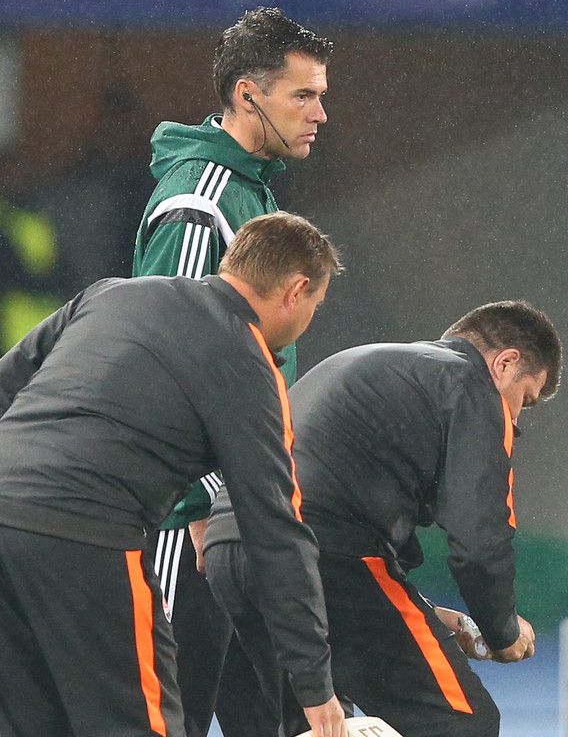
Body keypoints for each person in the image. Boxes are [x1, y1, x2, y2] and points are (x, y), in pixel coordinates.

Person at [0, 211, 346, 737]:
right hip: (89, 537)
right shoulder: (249, 365)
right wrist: (315, 688)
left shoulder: (111, 294)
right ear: (296, 290)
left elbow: (6, 384)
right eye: (315, 305)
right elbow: (275, 532)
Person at [203, 300, 562, 737]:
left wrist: (428, 614)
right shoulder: (472, 388)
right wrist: (502, 630)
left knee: (318, 728)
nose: (516, 417)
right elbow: (479, 542)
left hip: (231, 544)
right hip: (319, 552)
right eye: (524, 399)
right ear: (505, 363)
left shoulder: (382, 365)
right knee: (462, 722)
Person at [132, 6, 333, 737]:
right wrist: (199, 500)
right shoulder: (203, 201)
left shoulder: (251, 189)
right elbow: (166, 357)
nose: (320, 114)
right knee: (169, 718)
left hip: (234, 508)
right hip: (184, 518)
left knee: (268, 714)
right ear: (249, 95)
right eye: (303, 96)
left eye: (320, 96)